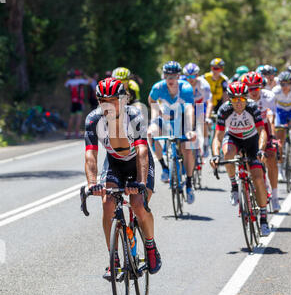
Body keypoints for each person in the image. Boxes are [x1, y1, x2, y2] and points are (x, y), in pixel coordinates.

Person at [84, 77, 161, 279]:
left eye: (112, 100)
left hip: (138, 163)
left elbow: (143, 150)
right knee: (107, 202)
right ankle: (114, 258)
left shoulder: (134, 116)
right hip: (115, 163)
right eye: (102, 101)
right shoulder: (93, 120)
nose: (107, 105)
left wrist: (141, 182)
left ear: (123, 99)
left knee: (137, 204)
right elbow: (90, 154)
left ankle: (151, 246)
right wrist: (92, 184)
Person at [210, 81, 270, 236]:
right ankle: (234, 186)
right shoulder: (224, 110)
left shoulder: (252, 107)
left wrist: (261, 150)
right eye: (234, 100)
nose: (238, 103)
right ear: (229, 99)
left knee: (257, 178)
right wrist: (215, 155)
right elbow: (218, 137)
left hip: (252, 141)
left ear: (246, 98)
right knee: (227, 154)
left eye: (241, 99)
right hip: (234, 138)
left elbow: (261, 131)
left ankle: (263, 217)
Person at [147, 61, 197, 204]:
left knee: (186, 149)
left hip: (182, 119)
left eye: (173, 75)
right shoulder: (158, 87)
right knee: (151, 134)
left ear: (178, 76)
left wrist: (189, 130)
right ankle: (164, 168)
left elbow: (189, 109)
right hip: (165, 117)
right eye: (167, 75)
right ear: (163, 75)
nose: (170, 78)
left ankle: (188, 183)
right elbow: (151, 100)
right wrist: (155, 117)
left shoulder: (185, 87)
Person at [241, 71, 280, 212]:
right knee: (246, 162)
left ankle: (275, 196)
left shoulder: (268, 96)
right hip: (248, 130)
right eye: (250, 88)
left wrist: (274, 138)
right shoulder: (242, 99)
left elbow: (271, 119)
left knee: (271, 157)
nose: (253, 92)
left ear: (261, 87)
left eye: (256, 88)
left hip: (264, 127)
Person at [273, 71, 291, 179]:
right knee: (280, 140)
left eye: (287, 84)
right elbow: (272, 107)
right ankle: (280, 170)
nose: (285, 86)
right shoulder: (275, 91)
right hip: (280, 111)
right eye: (282, 84)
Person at [182, 62, 213, 157]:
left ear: (197, 75)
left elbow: (209, 103)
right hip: (187, 105)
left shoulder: (204, 85)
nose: (191, 79)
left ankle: (206, 144)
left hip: (200, 104)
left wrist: (207, 117)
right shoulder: (181, 83)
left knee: (203, 120)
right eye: (188, 77)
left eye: (193, 77)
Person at [65, 69, 91, 139]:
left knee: (71, 118)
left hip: (73, 102)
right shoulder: (81, 81)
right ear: (79, 75)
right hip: (79, 102)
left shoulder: (70, 81)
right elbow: (90, 81)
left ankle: (68, 133)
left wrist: (69, 76)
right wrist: (84, 75)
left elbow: (66, 84)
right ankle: (77, 134)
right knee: (79, 118)